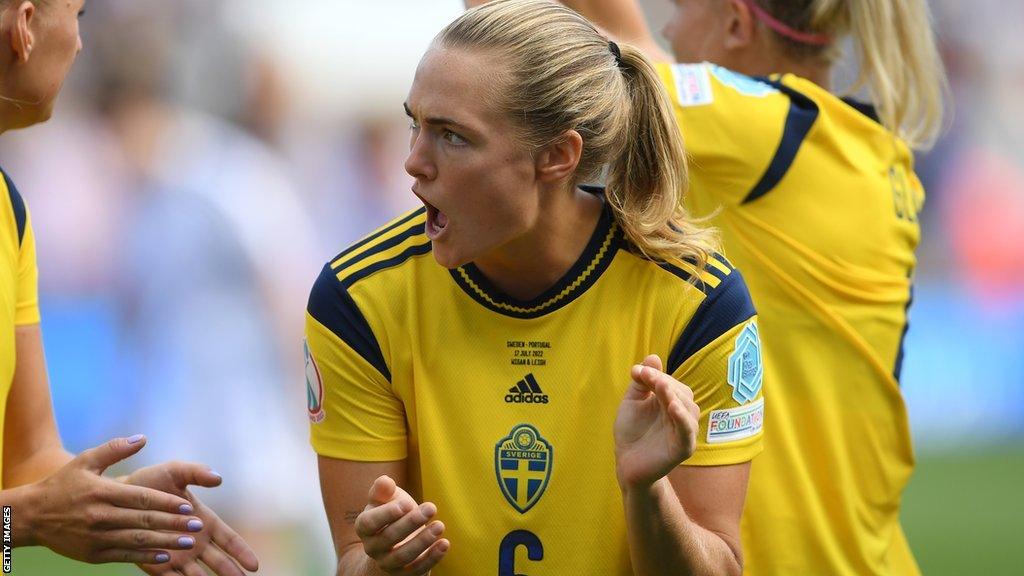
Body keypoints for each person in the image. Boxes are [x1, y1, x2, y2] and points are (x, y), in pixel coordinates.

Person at [306, 1, 766, 574]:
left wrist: (647, 491)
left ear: (557, 156)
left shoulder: (698, 302)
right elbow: (352, 562)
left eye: (452, 137)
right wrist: (383, 561)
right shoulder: (357, 299)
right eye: (415, 123)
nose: (413, 162)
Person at [493, 0, 948, 574]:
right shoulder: (855, 146)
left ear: (736, 23)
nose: (671, 31)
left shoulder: (760, 126)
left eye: (681, 9)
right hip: (863, 557)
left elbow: (545, 65)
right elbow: (626, 41)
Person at [0, 1, 259, 574]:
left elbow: (26, 458)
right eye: (79, 15)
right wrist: (24, 521)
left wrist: (120, 503)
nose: (79, 43)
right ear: (24, 27)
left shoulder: (9, 208)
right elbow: (19, 510)